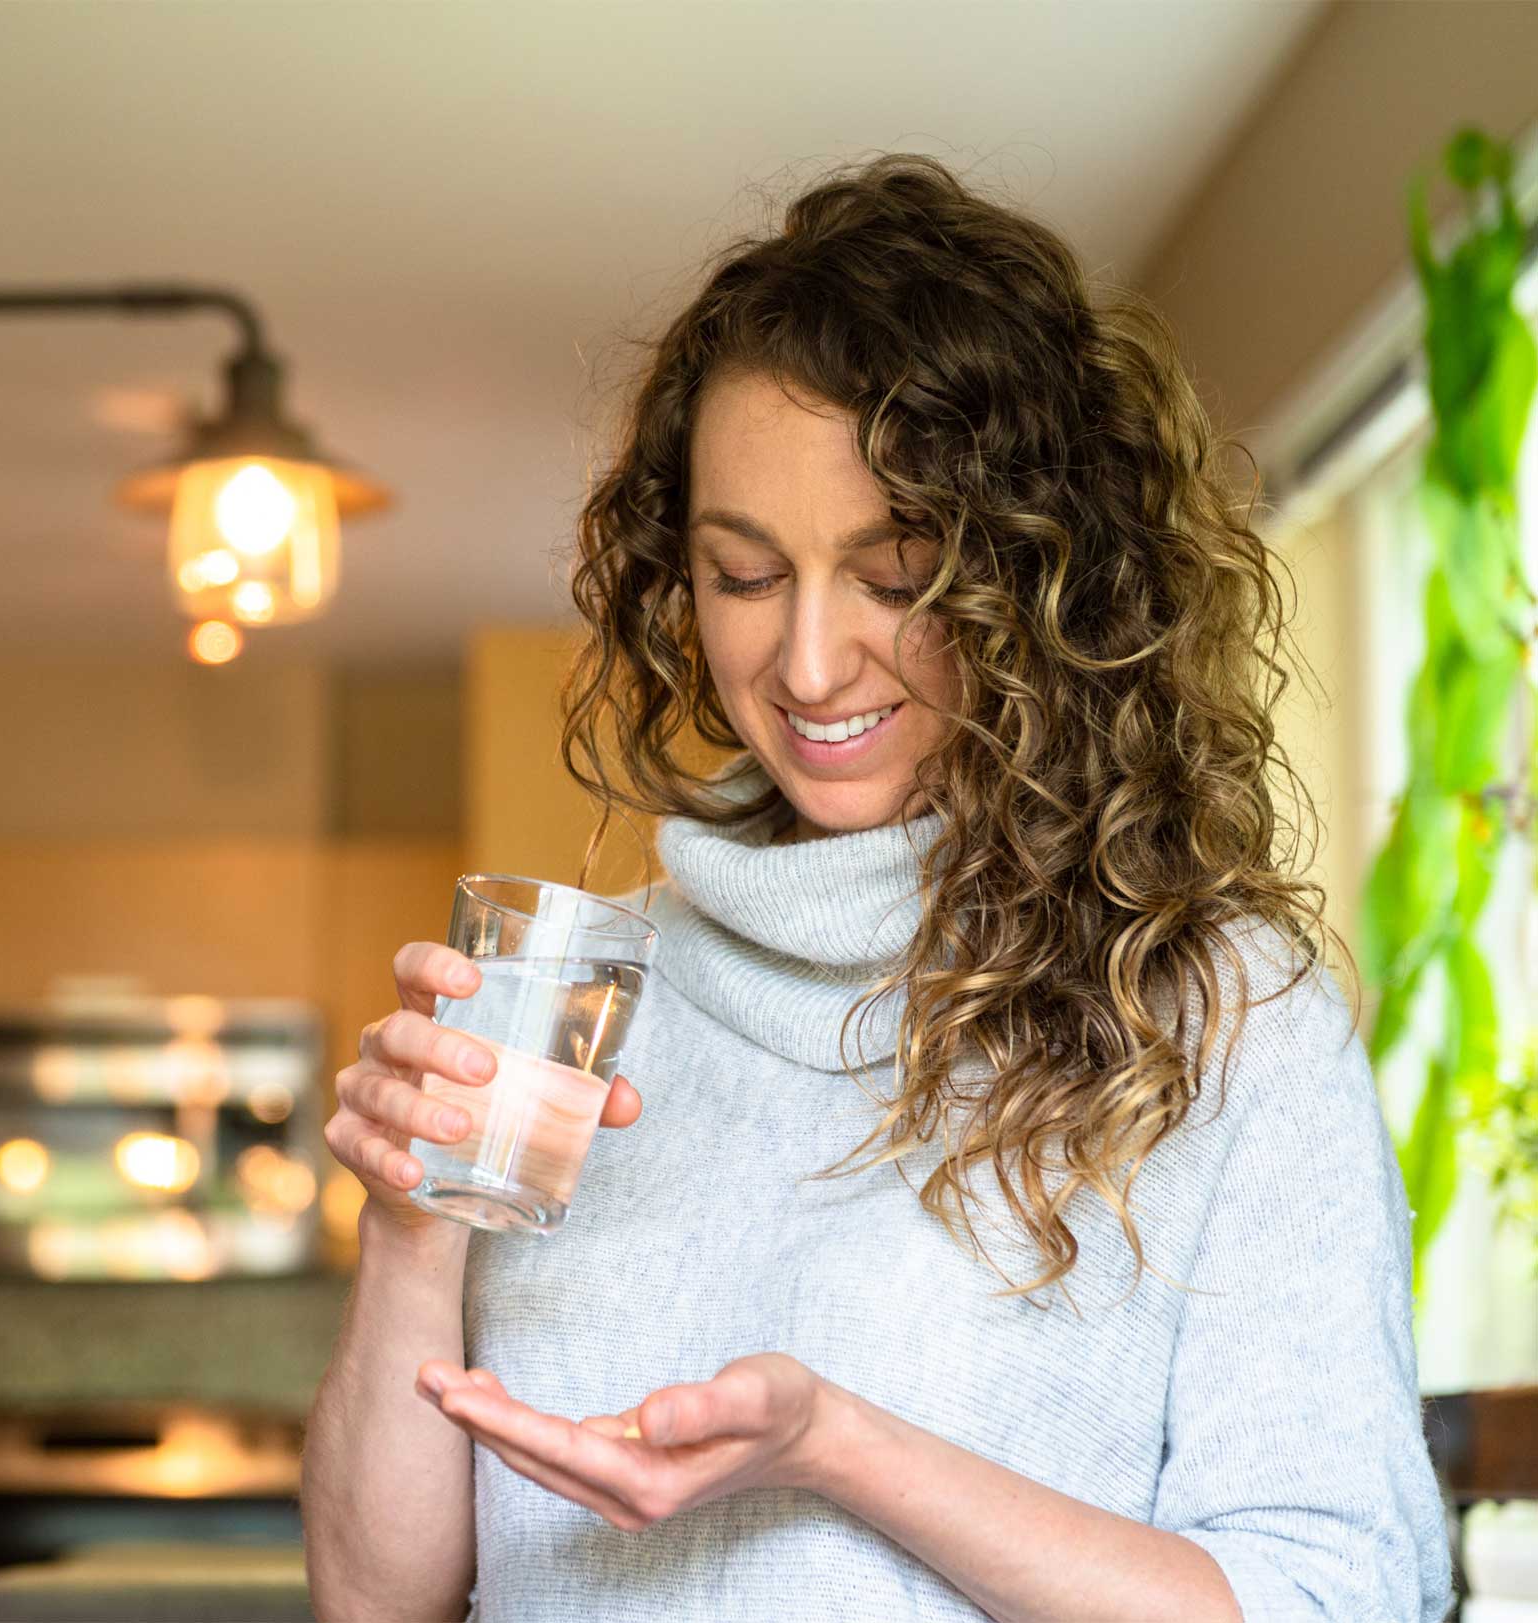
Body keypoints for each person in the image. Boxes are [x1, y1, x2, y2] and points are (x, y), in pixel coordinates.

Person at [301, 153, 1454, 1623]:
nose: (809, 664)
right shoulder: (587, 1017)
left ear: (1043, 578)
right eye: (744, 574)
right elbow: (372, 1603)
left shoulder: (1223, 1022)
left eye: (897, 573)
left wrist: (841, 1450)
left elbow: (1337, 1596)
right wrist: (409, 1238)